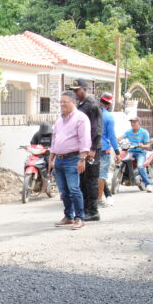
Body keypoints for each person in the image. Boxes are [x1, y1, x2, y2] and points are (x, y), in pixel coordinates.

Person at [49, 91, 91, 230]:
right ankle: (68, 216)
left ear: (73, 102)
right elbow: (54, 140)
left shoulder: (81, 118)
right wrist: (51, 159)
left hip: (73, 159)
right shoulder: (59, 121)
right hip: (59, 160)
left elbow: (85, 140)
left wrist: (82, 159)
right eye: (60, 102)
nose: (62, 104)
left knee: (74, 189)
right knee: (63, 191)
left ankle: (80, 218)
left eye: (65, 102)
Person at [69, 78, 103, 221]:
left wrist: (93, 148)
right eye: (74, 91)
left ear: (85, 89)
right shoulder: (80, 105)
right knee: (82, 180)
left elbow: (97, 128)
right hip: (82, 148)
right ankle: (84, 210)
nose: (75, 93)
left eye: (77, 90)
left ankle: (93, 211)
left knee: (91, 181)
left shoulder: (93, 105)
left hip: (91, 149)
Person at [97, 92, 120, 207]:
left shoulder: (91, 114)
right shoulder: (109, 116)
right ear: (109, 104)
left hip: (90, 148)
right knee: (101, 175)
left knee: (94, 174)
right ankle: (99, 199)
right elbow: (112, 136)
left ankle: (106, 196)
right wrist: (117, 152)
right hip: (103, 148)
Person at [119, 117, 153, 193]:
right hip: (130, 151)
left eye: (134, 122)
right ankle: (126, 178)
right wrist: (114, 140)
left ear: (139, 123)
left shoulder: (144, 132)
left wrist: (142, 146)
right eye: (131, 122)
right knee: (121, 161)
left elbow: (148, 145)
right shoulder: (128, 132)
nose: (132, 123)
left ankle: (148, 184)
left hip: (140, 153)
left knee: (140, 166)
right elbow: (120, 138)